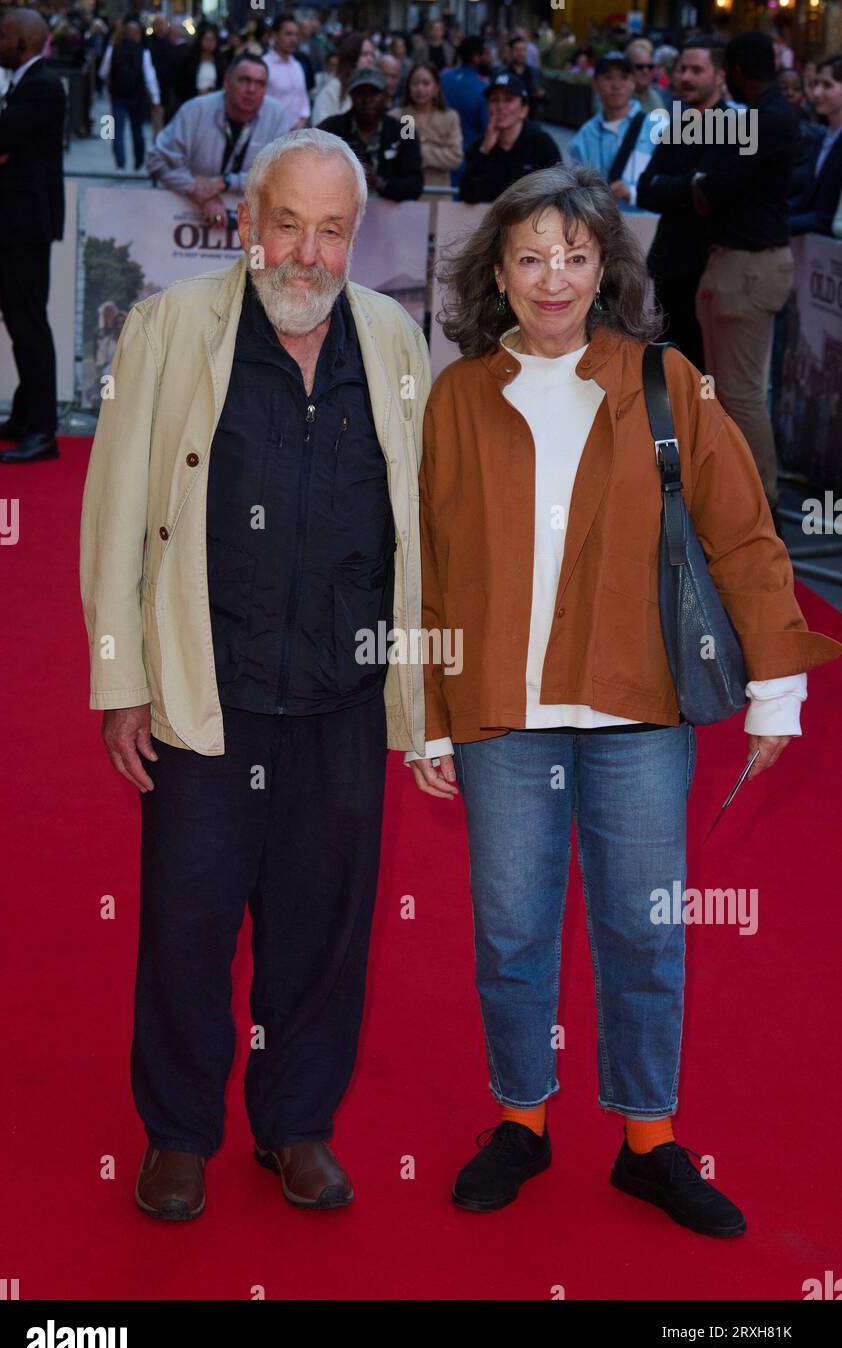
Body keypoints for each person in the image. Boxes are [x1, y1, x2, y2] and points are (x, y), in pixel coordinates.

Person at [408, 162, 841, 1225]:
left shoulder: (664, 379)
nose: (551, 278)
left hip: (637, 708)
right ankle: (521, 1119)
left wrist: (775, 689)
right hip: (501, 715)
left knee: (643, 932)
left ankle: (646, 1136)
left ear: (603, 266)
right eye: (528, 258)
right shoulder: (458, 396)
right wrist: (419, 712)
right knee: (510, 930)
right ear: (495, 276)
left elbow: (741, 534)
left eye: (573, 255)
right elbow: (422, 559)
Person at [79, 127, 431, 1221]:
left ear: (355, 237)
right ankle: (179, 1131)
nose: (308, 253)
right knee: (187, 924)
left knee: (323, 929)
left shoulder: (395, 339)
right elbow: (115, 517)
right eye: (288, 223)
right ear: (246, 222)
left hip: (340, 695)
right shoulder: (170, 328)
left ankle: (295, 1125)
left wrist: (422, 688)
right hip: (205, 693)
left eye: (333, 231)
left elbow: (419, 530)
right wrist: (119, 679)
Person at [693, 31, 797, 514]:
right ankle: (744, 499)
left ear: (733, 72)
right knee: (726, 390)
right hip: (740, 265)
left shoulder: (767, 121)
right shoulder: (767, 117)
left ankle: (762, 505)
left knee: (740, 393)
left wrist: (700, 183)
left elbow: (719, 182)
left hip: (749, 268)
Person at [0, 8, 64, 463]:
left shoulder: (43, 84)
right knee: (20, 324)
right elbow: (1, 144)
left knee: (29, 326)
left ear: (24, 43)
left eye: (4, 36)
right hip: (15, 221)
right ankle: (24, 417)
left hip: (26, 225)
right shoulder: (29, 82)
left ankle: (43, 432)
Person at [637, 35, 727, 371]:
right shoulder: (677, 126)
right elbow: (646, 189)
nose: (686, 77)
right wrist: (685, 185)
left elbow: (709, 191)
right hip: (668, 267)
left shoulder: (728, 129)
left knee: (699, 373)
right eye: (682, 69)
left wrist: (674, 186)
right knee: (668, 370)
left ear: (719, 76)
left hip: (704, 272)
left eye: (696, 70)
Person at [147, 54, 291, 227]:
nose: (251, 89)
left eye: (260, 83)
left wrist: (226, 183)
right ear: (226, 82)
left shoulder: (277, 116)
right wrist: (197, 192)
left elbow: (280, 176)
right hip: (184, 219)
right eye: (244, 80)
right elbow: (156, 160)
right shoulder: (195, 111)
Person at [569, 52, 664, 207]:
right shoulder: (583, 138)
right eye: (608, 77)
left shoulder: (658, 126)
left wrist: (631, 193)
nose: (616, 85)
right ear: (595, 84)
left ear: (633, 82)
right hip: (603, 226)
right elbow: (579, 194)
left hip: (647, 223)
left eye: (624, 78)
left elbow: (669, 182)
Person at [319, 67, 423, 202]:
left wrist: (379, 182)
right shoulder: (330, 128)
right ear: (351, 95)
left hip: (392, 217)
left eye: (374, 92)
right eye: (360, 92)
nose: (367, 99)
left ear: (386, 96)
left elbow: (415, 184)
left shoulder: (404, 129)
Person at [460, 72, 560, 205]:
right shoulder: (478, 147)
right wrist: (484, 151)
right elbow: (468, 195)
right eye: (494, 100)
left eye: (508, 99)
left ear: (524, 109)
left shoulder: (542, 143)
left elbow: (559, 193)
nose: (501, 107)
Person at [788, 54, 842, 236]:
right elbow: (807, 199)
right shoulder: (821, 138)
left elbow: (828, 216)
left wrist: (777, 226)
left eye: (827, 85)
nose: (816, 93)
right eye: (815, 84)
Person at [99, 18, 160, 171]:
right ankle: (138, 162)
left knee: (116, 131)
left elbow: (103, 72)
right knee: (137, 131)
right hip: (137, 96)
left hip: (118, 95)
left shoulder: (113, 49)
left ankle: (120, 163)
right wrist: (155, 98)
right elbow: (149, 77)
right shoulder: (143, 53)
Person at [397, 62, 462, 192]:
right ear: (408, 87)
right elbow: (400, 159)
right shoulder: (401, 117)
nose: (420, 89)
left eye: (426, 83)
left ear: (436, 87)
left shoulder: (450, 117)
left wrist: (419, 153)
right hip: (406, 195)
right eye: (415, 83)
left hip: (439, 193)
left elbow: (455, 157)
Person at [441, 34, 488, 186]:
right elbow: (486, 129)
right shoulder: (484, 88)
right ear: (476, 57)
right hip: (466, 161)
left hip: (438, 159)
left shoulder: (442, 77)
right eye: (485, 54)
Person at [311, 30, 376, 125]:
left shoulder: (373, 89)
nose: (370, 59)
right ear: (351, 58)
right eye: (364, 54)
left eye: (372, 55)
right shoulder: (332, 90)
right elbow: (320, 131)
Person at [779, 67, 823, 200]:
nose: (789, 93)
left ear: (803, 95)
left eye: (796, 88)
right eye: (783, 88)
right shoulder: (758, 129)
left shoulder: (816, 135)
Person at [263, 12, 310, 131]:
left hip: (298, 135)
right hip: (271, 135)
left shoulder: (297, 65)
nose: (293, 39)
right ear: (274, 36)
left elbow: (304, 100)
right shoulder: (264, 65)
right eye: (288, 34)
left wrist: (301, 123)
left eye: (295, 34)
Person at [492, 33, 545, 118]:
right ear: (511, 52)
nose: (521, 53)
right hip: (507, 117)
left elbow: (547, 98)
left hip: (531, 118)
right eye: (517, 50)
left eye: (524, 50)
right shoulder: (501, 74)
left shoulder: (536, 73)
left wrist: (542, 94)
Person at [174, 20, 223, 108]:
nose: (209, 43)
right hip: (192, 103)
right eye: (207, 39)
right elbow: (181, 85)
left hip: (213, 104)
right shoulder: (189, 60)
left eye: (212, 40)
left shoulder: (220, 62)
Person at [625, 36, 666, 112]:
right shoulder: (619, 96)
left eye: (650, 67)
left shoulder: (656, 96)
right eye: (639, 67)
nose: (645, 71)